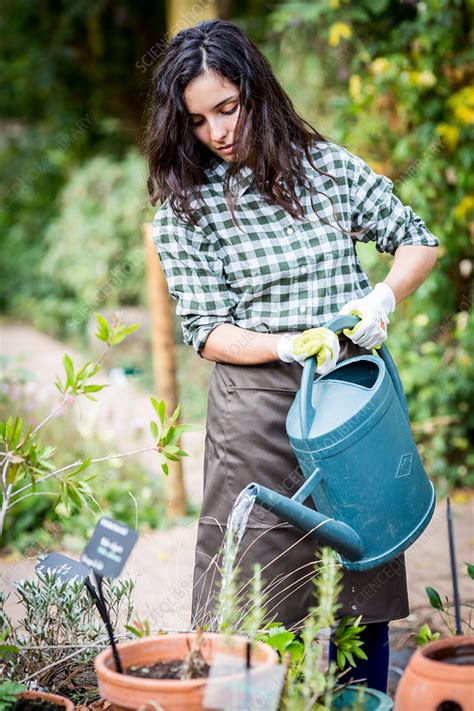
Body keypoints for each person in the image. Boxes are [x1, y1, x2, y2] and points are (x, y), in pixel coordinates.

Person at [143, 19, 439, 692]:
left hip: (349, 399)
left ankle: (358, 701)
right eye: (197, 121)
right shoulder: (184, 209)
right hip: (256, 412)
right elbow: (206, 329)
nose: (217, 132)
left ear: (257, 91)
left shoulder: (325, 169)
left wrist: (380, 302)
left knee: (360, 581)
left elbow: (418, 239)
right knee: (255, 592)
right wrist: (284, 343)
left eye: (228, 107)